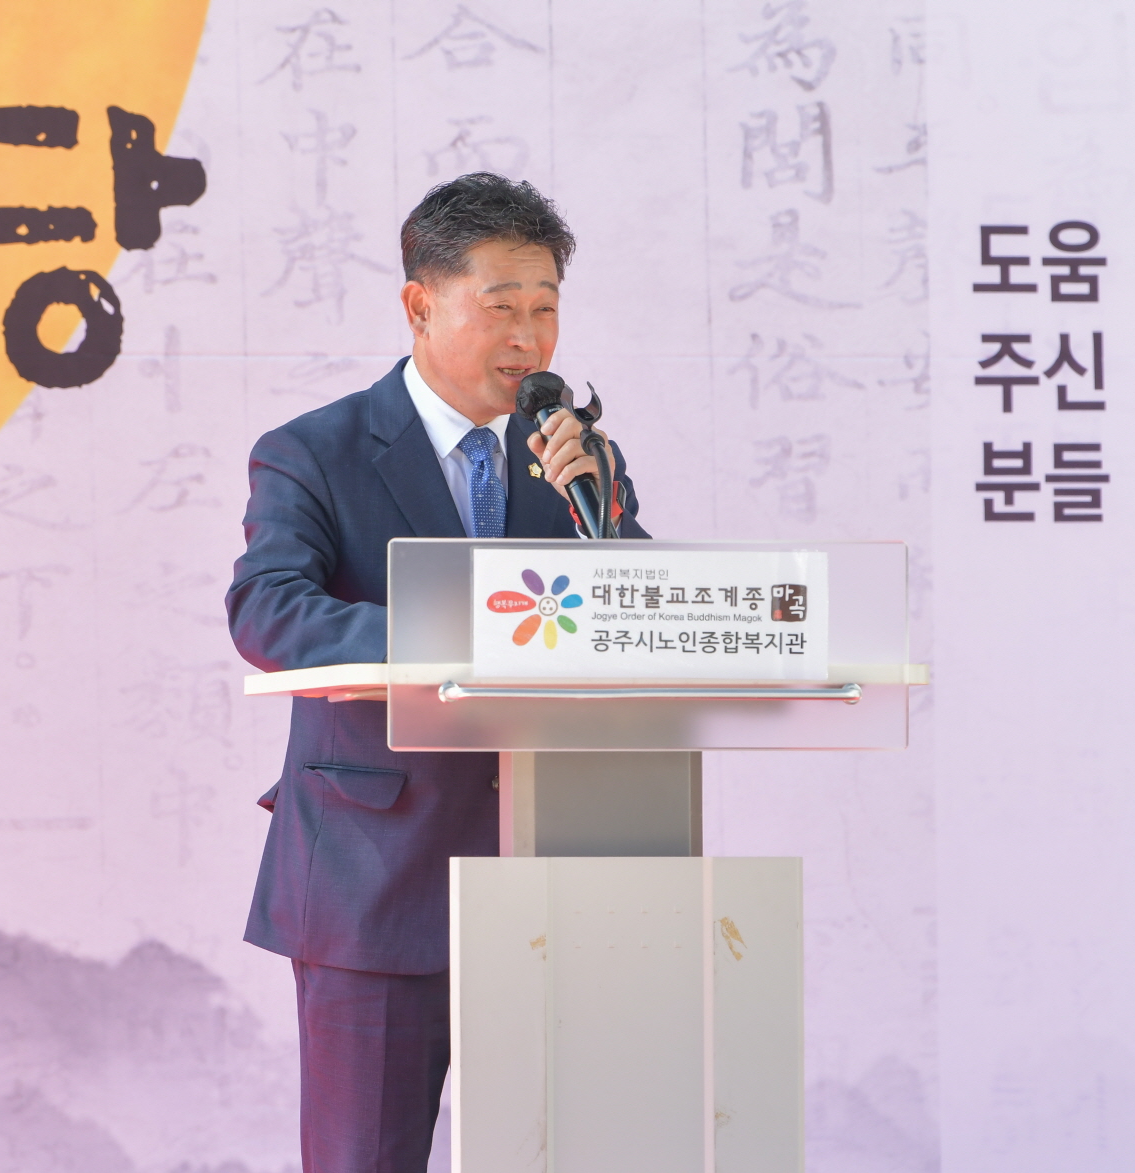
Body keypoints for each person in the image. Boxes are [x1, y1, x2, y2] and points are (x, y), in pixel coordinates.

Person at [225, 172, 650, 1173]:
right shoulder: (313, 452)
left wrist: (599, 514)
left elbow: (633, 615)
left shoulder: (573, 459)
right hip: (375, 876)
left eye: (545, 309)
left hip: (560, 872)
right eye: (500, 307)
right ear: (419, 305)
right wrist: (463, 630)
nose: (528, 339)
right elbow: (268, 609)